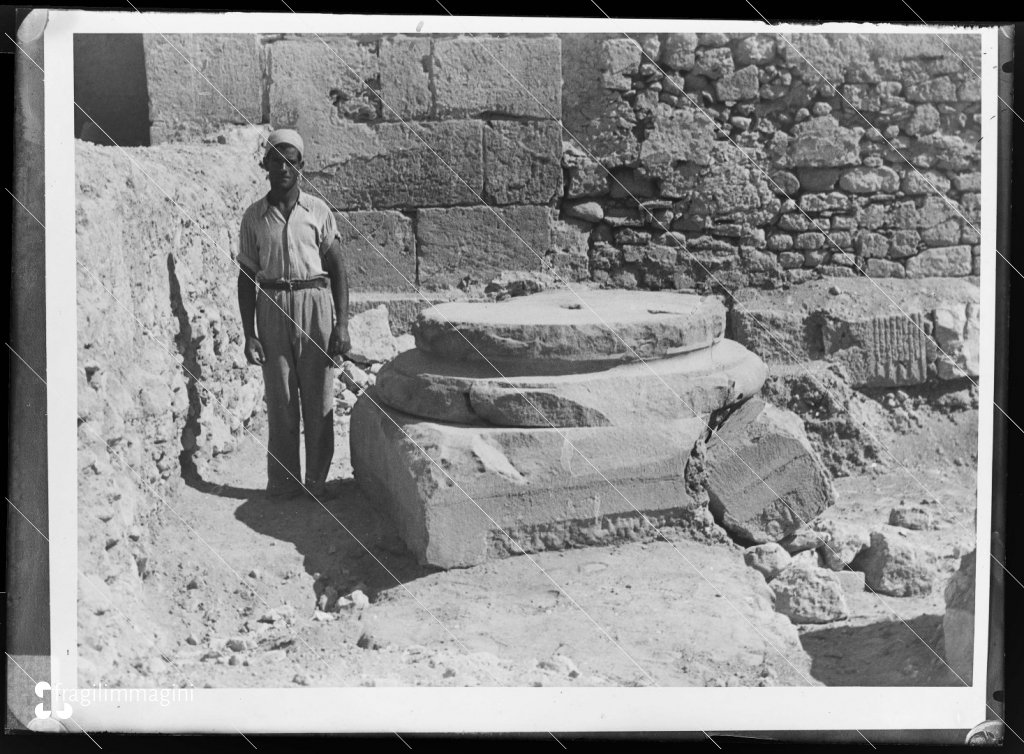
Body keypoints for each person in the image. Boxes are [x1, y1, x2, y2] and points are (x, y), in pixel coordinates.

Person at [236, 128, 350, 500]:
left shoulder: (317, 211)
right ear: (264, 165)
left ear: (301, 166)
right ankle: (284, 484)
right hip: (272, 308)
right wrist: (249, 332)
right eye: (275, 160)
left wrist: (342, 324)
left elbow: (337, 268)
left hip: (314, 305)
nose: (283, 167)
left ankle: (317, 482)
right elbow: (246, 277)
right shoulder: (254, 217)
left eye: (290, 161)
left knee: (318, 398)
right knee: (282, 400)